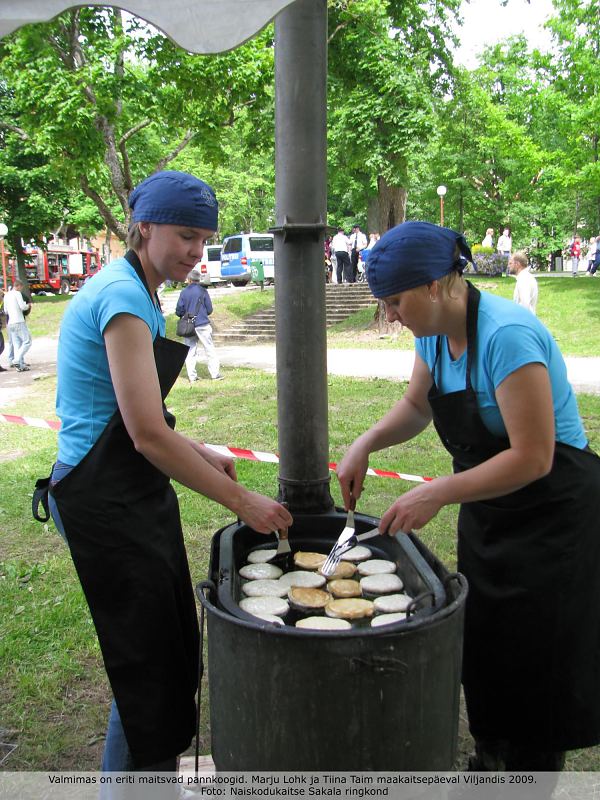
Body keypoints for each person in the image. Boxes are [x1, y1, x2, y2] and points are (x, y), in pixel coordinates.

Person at [32, 171, 293, 785]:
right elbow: (146, 434)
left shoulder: (143, 291)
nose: (196, 252)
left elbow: (129, 412)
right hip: (101, 495)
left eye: (204, 239)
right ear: (143, 228)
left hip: (128, 485)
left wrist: (200, 451)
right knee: (148, 670)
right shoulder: (123, 298)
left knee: (165, 655)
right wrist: (241, 500)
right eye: (185, 236)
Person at [337, 220, 600, 775]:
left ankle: (530, 773)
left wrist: (438, 492)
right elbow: (417, 405)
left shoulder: (507, 335)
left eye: (394, 301)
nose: (390, 315)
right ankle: (489, 758)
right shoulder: (432, 332)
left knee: (538, 657)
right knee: (487, 643)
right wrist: (365, 442)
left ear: (434, 286)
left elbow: (534, 457)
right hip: (491, 509)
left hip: (554, 516)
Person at [176, 267, 223, 382]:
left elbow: (179, 311)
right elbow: (209, 309)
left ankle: (192, 377)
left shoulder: (184, 292)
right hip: (202, 324)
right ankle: (215, 374)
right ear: (198, 279)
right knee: (209, 349)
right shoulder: (203, 291)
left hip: (189, 325)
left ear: (189, 279)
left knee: (191, 351)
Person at [4, 278, 32, 371]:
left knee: (17, 344)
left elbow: (6, 311)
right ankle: (17, 360)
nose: (21, 289)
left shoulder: (7, 295)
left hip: (10, 322)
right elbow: (22, 307)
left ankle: (20, 366)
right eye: (21, 287)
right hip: (19, 321)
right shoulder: (17, 294)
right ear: (19, 286)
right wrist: (28, 305)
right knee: (27, 341)